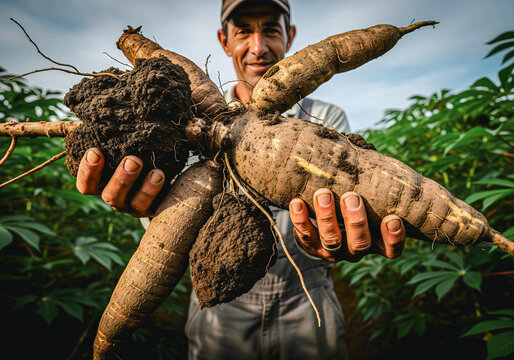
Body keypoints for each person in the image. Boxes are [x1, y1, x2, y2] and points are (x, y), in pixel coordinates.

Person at [75, 1, 406, 358]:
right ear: (225, 40)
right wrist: (144, 202)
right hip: (218, 312)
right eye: (244, 31)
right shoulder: (179, 120)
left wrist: (336, 237)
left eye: (271, 30)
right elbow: (167, 218)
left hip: (307, 304)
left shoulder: (324, 119)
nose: (259, 47)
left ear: (289, 37)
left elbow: (345, 199)